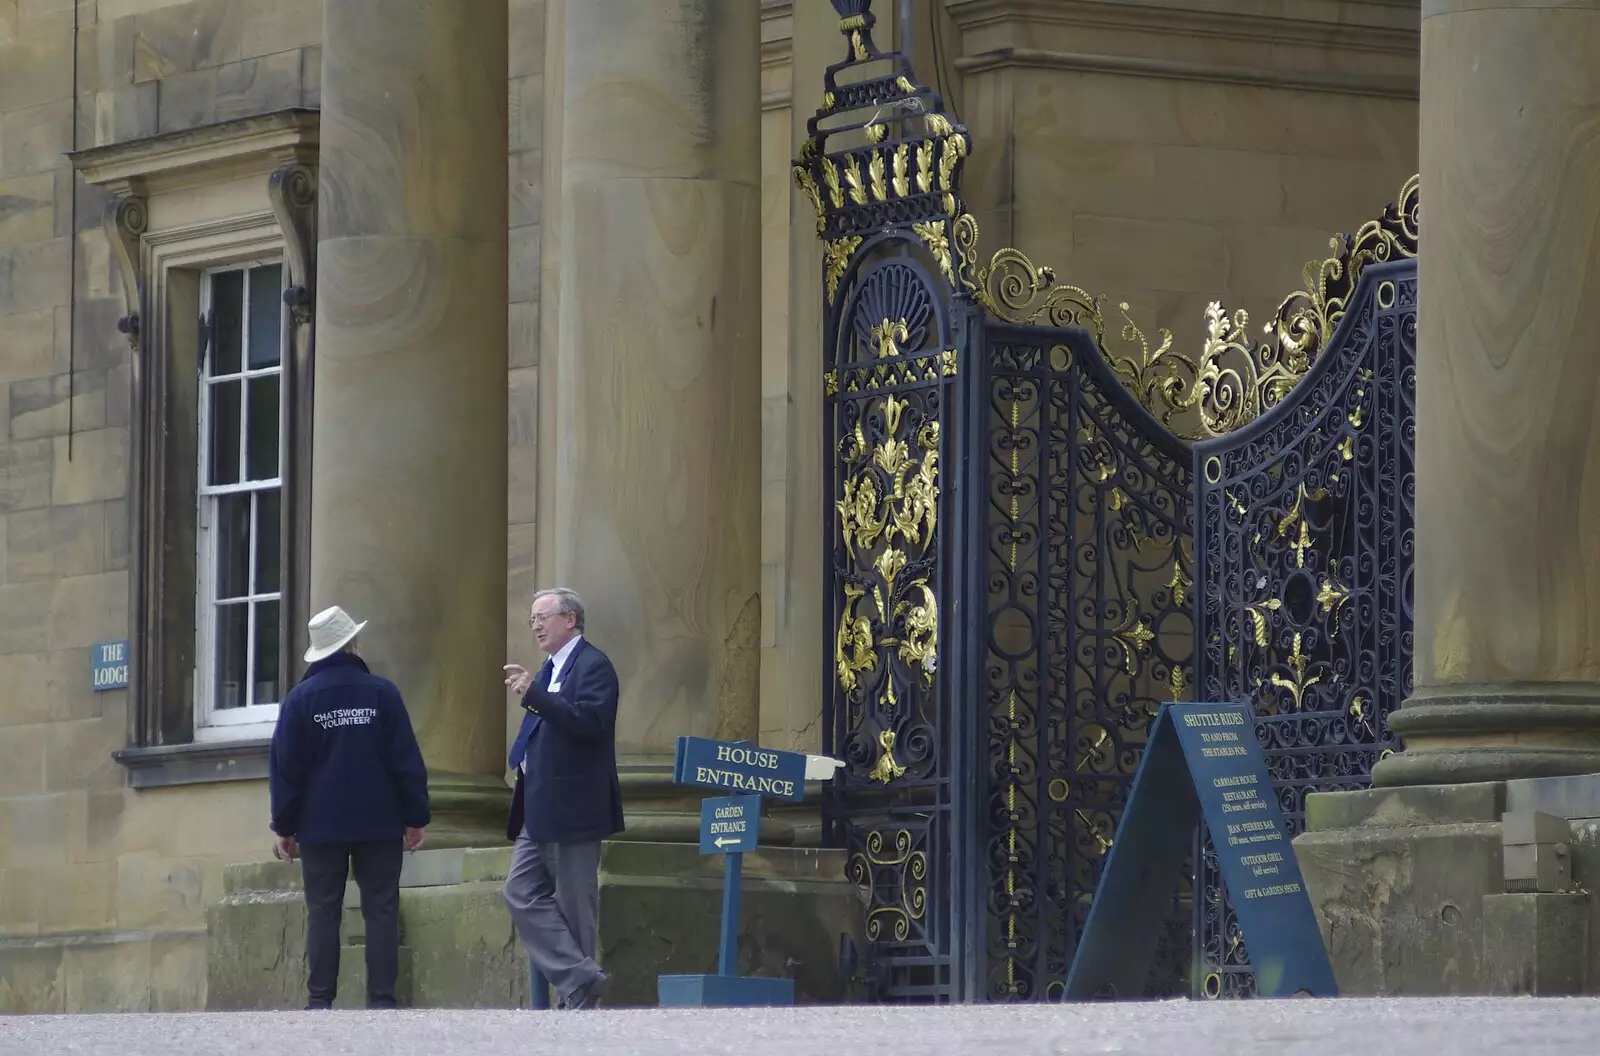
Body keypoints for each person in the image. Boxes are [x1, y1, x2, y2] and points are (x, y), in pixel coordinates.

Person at [268, 605, 430, 1011]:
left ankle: (320, 1001)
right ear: (352, 644)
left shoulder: (300, 700)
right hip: (379, 819)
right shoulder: (382, 693)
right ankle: (382, 1000)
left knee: (323, 911)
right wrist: (415, 818)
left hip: (319, 823)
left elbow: (286, 770)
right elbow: (406, 762)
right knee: (381, 908)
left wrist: (284, 827)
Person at [502, 587, 624, 1010]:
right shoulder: (548, 668)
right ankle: (581, 977)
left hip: (574, 805)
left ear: (569, 619)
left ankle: (579, 999)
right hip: (537, 805)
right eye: (531, 618)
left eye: (542, 617)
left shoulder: (594, 665)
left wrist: (533, 696)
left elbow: (590, 722)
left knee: (575, 907)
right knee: (519, 891)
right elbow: (543, 725)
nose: (535, 625)